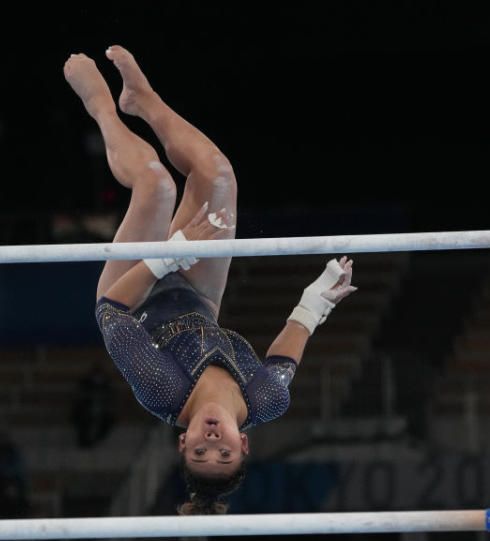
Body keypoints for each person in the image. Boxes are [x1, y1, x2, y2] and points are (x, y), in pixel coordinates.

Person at [64, 46, 356, 515]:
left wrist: (167, 257)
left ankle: (99, 105)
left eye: (201, 451)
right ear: (244, 443)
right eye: (224, 452)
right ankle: (143, 100)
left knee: (157, 188)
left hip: (133, 293)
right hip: (196, 294)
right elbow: (286, 351)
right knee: (218, 176)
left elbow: (110, 313)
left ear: (183, 444)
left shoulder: (163, 391)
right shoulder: (265, 399)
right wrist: (318, 299)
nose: (212, 441)